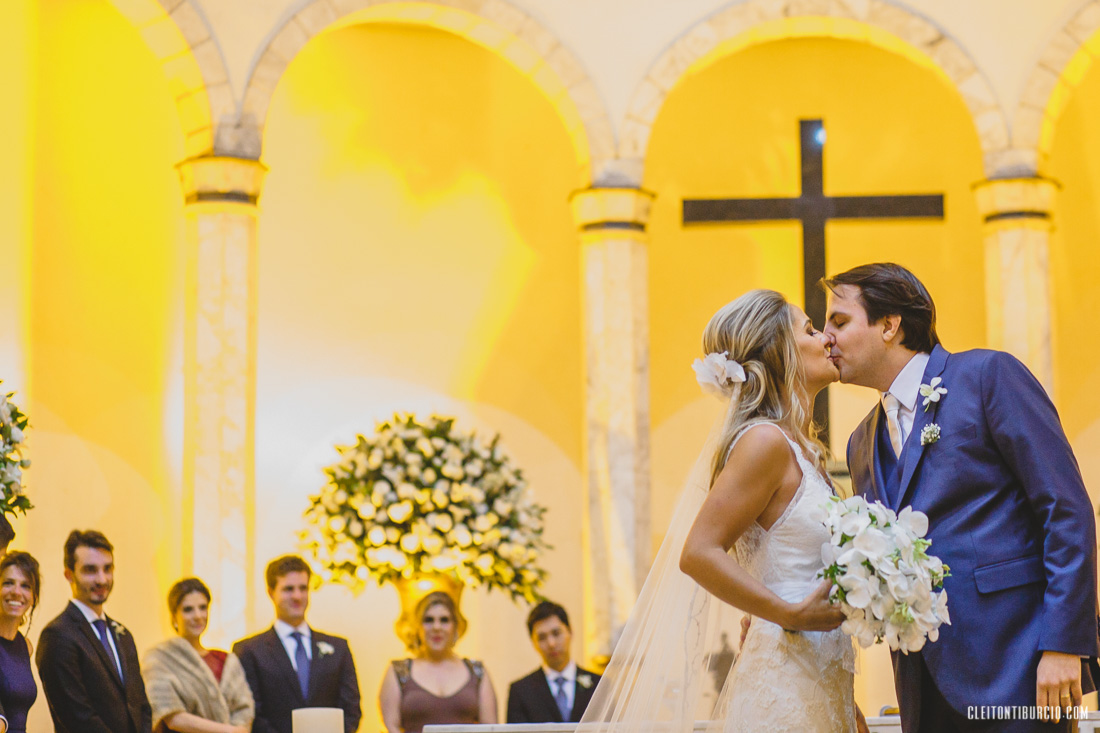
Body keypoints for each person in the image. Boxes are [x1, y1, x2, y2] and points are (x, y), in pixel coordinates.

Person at [823, 262, 1100, 733]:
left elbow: (1065, 508)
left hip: (1018, 668)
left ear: (890, 325)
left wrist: (1064, 644)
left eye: (840, 321)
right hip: (921, 684)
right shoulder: (860, 442)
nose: (826, 337)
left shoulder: (989, 375)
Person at [580, 289, 867, 733]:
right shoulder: (765, 442)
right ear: (780, 351)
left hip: (821, 684)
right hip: (784, 688)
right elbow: (698, 551)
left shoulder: (804, 451)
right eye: (810, 330)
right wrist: (784, 613)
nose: (826, 338)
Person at [36, 529, 153, 733]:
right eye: (90, 570)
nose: (102, 579)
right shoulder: (58, 635)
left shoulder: (123, 634)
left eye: (107, 569)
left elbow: (140, 705)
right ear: (69, 574)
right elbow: (77, 717)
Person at [233, 555, 361, 733]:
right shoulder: (249, 651)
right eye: (288, 589)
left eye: (303, 588)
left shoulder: (338, 648)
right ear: (271, 592)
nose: (297, 596)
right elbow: (252, 712)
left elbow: (351, 708)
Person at [142, 577, 255, 733]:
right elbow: (172, 717)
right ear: (174, 616)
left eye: (203, 608)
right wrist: (228, 731)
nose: (198, 615)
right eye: (188, 609)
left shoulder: (227, 660)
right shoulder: (158, 658)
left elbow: (244, 711)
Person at [379, 590, 498, 733]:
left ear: (456, 626)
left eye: (444, 620)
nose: (436, 627)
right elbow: (391, 726)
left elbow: (491, 727)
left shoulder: (477, 671)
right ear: (418, 627)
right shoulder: (398, 671)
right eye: (428, 620)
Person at [506, 600, 600, 723]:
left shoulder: (600, 685)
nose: (551, 643)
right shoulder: (521, 691)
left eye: (556, 633)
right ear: (533, 643)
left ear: (570, 632)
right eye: (542, 637)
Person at [0, 551, 40, 733]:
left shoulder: (26, 647)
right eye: (8, 583)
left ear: (34, 597)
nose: (17, 592)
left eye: (26, 586)